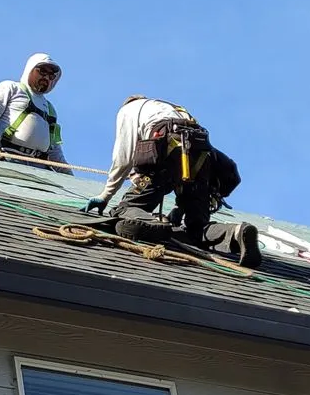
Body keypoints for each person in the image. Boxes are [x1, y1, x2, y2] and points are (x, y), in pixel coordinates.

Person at [83, 95, 262, 267]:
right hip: (201, 155)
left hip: (168, 150)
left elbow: (123, 156)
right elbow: (185, 167)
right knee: (196, 229)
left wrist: (106, 195)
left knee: (124, 210)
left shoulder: (129, 109)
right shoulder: (172, 109)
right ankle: (237, 233)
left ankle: (156, 223)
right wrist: (180, 208)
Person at [0, 53, 71, 174]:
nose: (46, 78)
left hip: (39, 169)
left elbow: (54, 147)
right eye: (42, 72)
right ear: (30, 69)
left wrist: (66, 172)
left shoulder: (50, 109)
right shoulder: (12, 88)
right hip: (7, 158)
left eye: (51, 76)